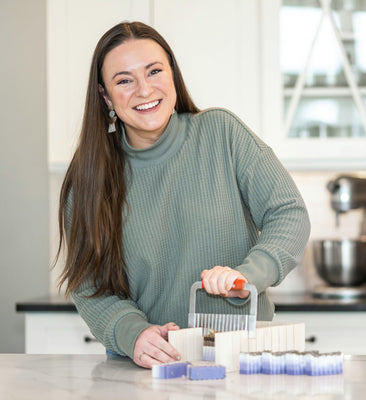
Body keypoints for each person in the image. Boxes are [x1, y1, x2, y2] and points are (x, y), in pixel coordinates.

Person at [55, 21, 311, 369]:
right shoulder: (88, 181)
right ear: (105, 96)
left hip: (242, 361)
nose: (144, 90)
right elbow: (90, 288)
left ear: (172, 74)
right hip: (150, 369)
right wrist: (132, 333)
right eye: (124, 80)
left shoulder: (222, 133)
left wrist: (250, 275)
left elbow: (289, 213)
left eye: (154, 71)